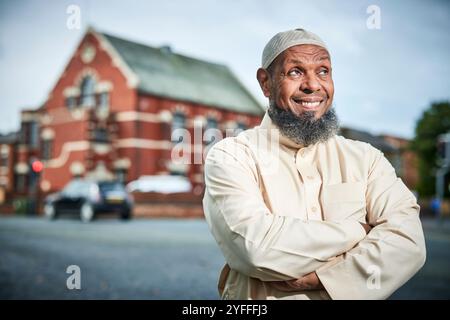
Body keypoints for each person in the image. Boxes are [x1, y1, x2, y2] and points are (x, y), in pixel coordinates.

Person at [202, 28, 426, 300]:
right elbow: (255, 248)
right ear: (266, 83)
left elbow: (408, 242)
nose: (312, 85)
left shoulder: (366, 158)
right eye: (295, 72)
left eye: (323, 71)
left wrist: (325, 279)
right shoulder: (232, 156)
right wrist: (358, 231)